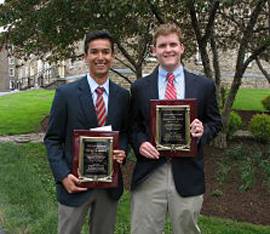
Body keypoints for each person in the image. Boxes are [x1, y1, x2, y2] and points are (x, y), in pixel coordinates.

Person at [129, 23, 222, 234]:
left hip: (188, 172)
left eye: (173, 44)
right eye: (162, 45)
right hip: (150, 172)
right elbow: (133, 126)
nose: (168, 49)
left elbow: (215, 122)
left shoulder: (204, 85)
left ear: (182, 47)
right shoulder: (140, 87)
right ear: (153, 50)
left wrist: (203, 131)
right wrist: (141, 142)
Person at [44, 31, 129, 234]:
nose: (100, 57)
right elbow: (52, 139)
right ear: (85, 56)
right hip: (74, 185)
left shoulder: (123, 96)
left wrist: (122, 151)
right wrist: (63, 175)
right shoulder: (66, 94)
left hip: (108, 187)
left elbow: (124, 133)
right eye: (94, 52)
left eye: (106, 52)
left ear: (113, 55)